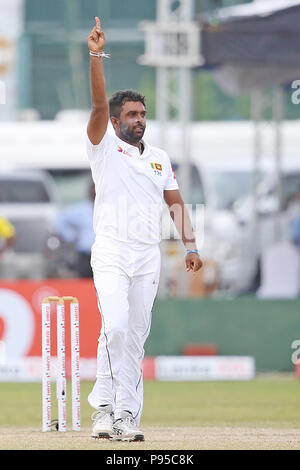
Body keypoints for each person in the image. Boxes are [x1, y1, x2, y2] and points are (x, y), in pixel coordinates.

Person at [86, 17, 203, 442]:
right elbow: (98, 106)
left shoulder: (158, 157)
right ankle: (106, 408)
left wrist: (190, 244)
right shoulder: (105, 147)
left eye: (142, 114)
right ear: (116, 121)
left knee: (134, 336)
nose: (139, 120)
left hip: (147, 253)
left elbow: (174, 201)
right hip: (113, 250)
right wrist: (96, 56)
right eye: (131, 114)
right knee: (114, 326)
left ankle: (122, 416)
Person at [53, 181, 95, 278]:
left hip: (107, 255)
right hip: (86, 254)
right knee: (84, 286)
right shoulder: (81, 210)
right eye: (93, 189)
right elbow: (59, 220)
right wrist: (71, 236)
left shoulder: (110, 210)